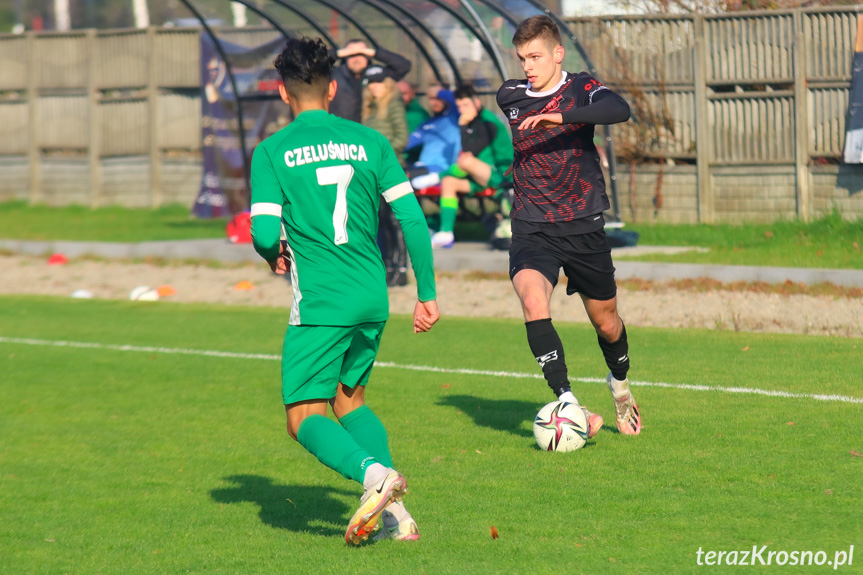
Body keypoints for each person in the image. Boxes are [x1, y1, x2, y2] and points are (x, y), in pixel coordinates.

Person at [250, 36, 440, 544]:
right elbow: (412, 220)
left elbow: (265, 233)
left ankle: (375, 478)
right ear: (333, 88)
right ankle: (398, 518)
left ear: (285, 94)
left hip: (322, 302)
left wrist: (274, 257)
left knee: (302, 416)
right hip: (370, 296)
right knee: (349, 398)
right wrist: (426, 292)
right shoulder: (371, 142)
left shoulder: (271, 151)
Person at [496, 15, 641, 437]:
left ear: (558, 54)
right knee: (532, 302)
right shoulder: (510, 95)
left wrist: (556, 118)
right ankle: (568, 402)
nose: (528, 66)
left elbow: (620, 109)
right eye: (522, 58)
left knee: (607, 324)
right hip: (531, 225)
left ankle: (621, 388)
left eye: (536, 56)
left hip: (582, 226)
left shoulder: (581, 88)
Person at [430, 84, 514, 249]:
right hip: (480, 175)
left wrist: (462, 126)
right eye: (459, 106)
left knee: (465, 161)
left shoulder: (488, 122)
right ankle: (446, 233)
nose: (462, 110)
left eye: (466, 105)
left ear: (476, 102)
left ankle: (433, 178)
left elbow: (469, 152)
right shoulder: (472, 119)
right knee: (448, 182)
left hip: (501, 175)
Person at [361, 68, 410, 286]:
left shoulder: (393, 105)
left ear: (387, 83)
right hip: (373, 172)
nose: (374, 86)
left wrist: (383, 155)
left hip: (392, 168)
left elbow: (402, 137)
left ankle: (401, 268)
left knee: (394, 220)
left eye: (378, 82)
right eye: (371, 82)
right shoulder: (368, 108)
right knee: (380, 219)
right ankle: (388, 264)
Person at [329, 39, 411, 123]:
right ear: (345, 56)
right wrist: (336, 53)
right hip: (341, 130)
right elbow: (316, 64)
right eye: (352, 55)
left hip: (370, 131)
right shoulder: (334, 74)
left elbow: (404, 66)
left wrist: (376, 53)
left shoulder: (377, 74)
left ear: (368, 55)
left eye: (361, 54)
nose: (356, 59)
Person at [404, 84, 461, 188]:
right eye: (431, 99)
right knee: (388, 176)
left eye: (438, 98)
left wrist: (439, 92)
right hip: (422, 167)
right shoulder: (426, 124)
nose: (435, 102)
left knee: (401, 179)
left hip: (441, 170)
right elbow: (407, 143)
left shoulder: (454, 118)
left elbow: (457, 99)